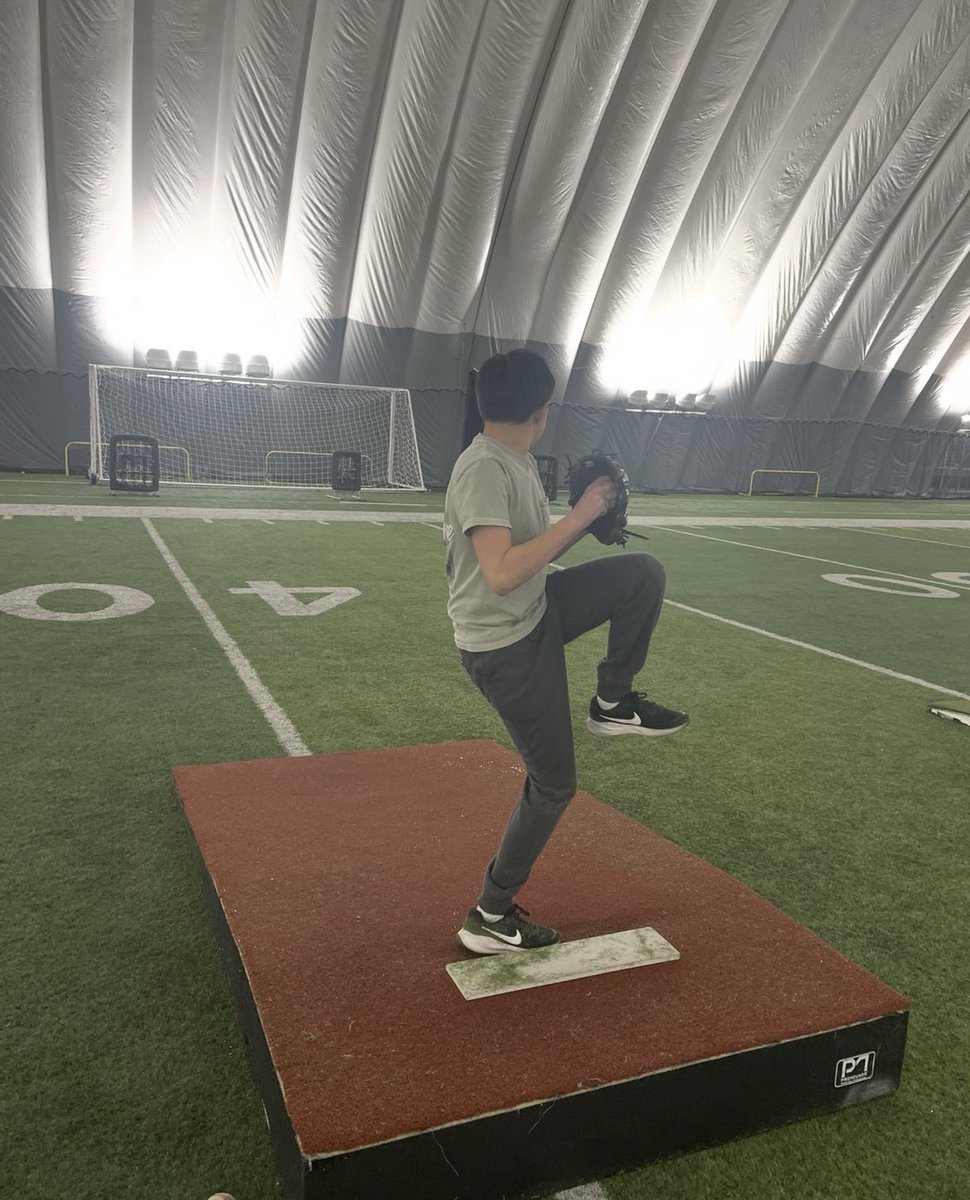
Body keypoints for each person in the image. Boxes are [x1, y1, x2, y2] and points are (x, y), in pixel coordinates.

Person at [443, 349, 688, 955]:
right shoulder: (483, 468)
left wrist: (585, 524)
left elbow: (528, 559)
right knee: (553, 786)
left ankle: (613, 699)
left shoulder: (514, 458)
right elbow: (499, 573)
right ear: (541, 411)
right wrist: (581, 516)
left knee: (641, 574)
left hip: (536, 609)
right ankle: (490, 915)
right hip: (505, 644)